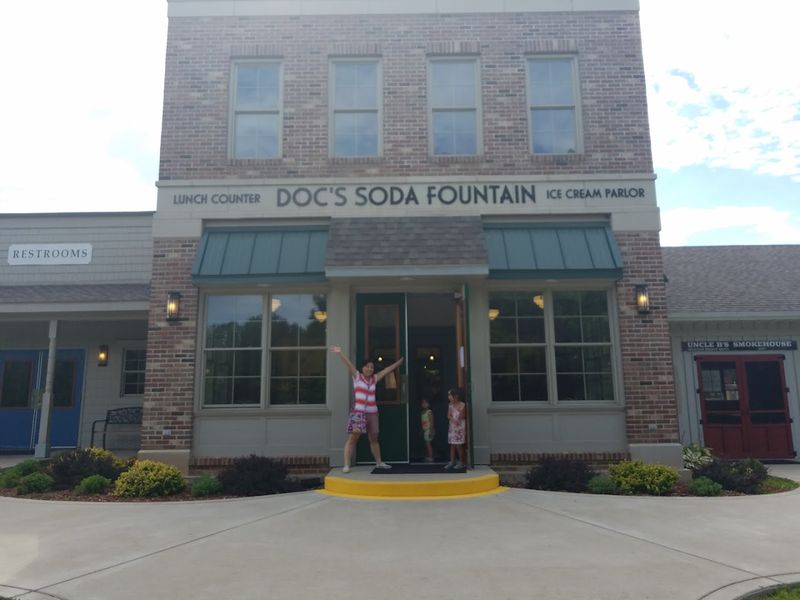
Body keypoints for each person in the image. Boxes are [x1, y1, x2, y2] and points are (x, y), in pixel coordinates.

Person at [330, 345, 404, 473]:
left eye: (372, 367)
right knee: (353, 438)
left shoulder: (374, 379)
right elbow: (349, 364)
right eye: (367, 366)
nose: (370, 369)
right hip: (359, 413)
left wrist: (398, 363)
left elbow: (387, 370)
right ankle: (346, 465)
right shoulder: (357, 377)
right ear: (363, 368)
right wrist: (340, 352)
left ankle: (379, 463)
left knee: (374, 438)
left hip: (372, 413)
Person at [444, 387, 467, 470]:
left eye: (450, 395)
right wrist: (452, 419)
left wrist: (459, 418)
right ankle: (452, 461)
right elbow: (448, 415)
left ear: (456, 396)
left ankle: (462, 462)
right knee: (452, 445)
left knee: (459, 445)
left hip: (460, 428)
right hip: (452, 427)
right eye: (448, 395)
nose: (449, 397)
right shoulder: (450, 405)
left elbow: (463, 416)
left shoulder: (462, 405)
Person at [420, 398, 435, 462]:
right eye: (422, 403)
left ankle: (431, 457)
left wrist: (431, 431)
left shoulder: (429, 412)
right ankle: (428, 456)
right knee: (426, 444)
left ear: (428, 404)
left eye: (425, 403)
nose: (424, 404)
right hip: (425, 430)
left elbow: (432, 422)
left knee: (428, 444)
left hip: (429, 430)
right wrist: (422, 430)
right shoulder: (422, 412)